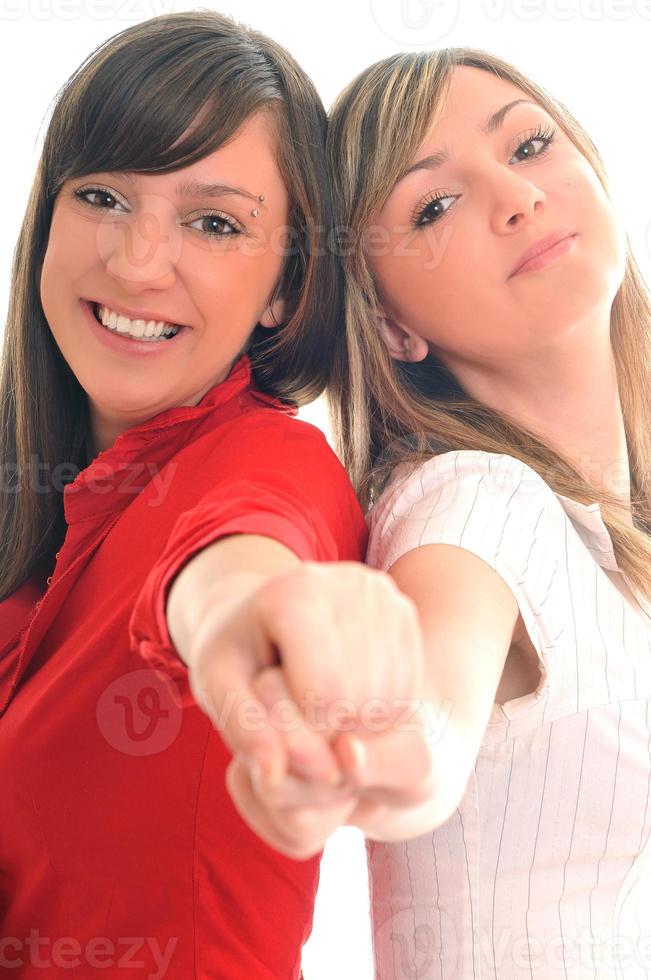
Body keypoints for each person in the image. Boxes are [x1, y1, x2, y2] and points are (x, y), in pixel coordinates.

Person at [0, 12, 436, 979]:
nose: (138, 261)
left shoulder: (265, 464)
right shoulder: (35, 505)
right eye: (104, 195)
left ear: (285, 287)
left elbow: (237, 563)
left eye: (214, 222)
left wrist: (255, 619)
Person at [323, 48, 651, 978]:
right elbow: (416, 735)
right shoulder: (474, 498)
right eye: (433, 206)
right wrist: (365, 753)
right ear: (389, 326)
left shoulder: (606, 538)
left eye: (530, 143)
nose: (515, 197)